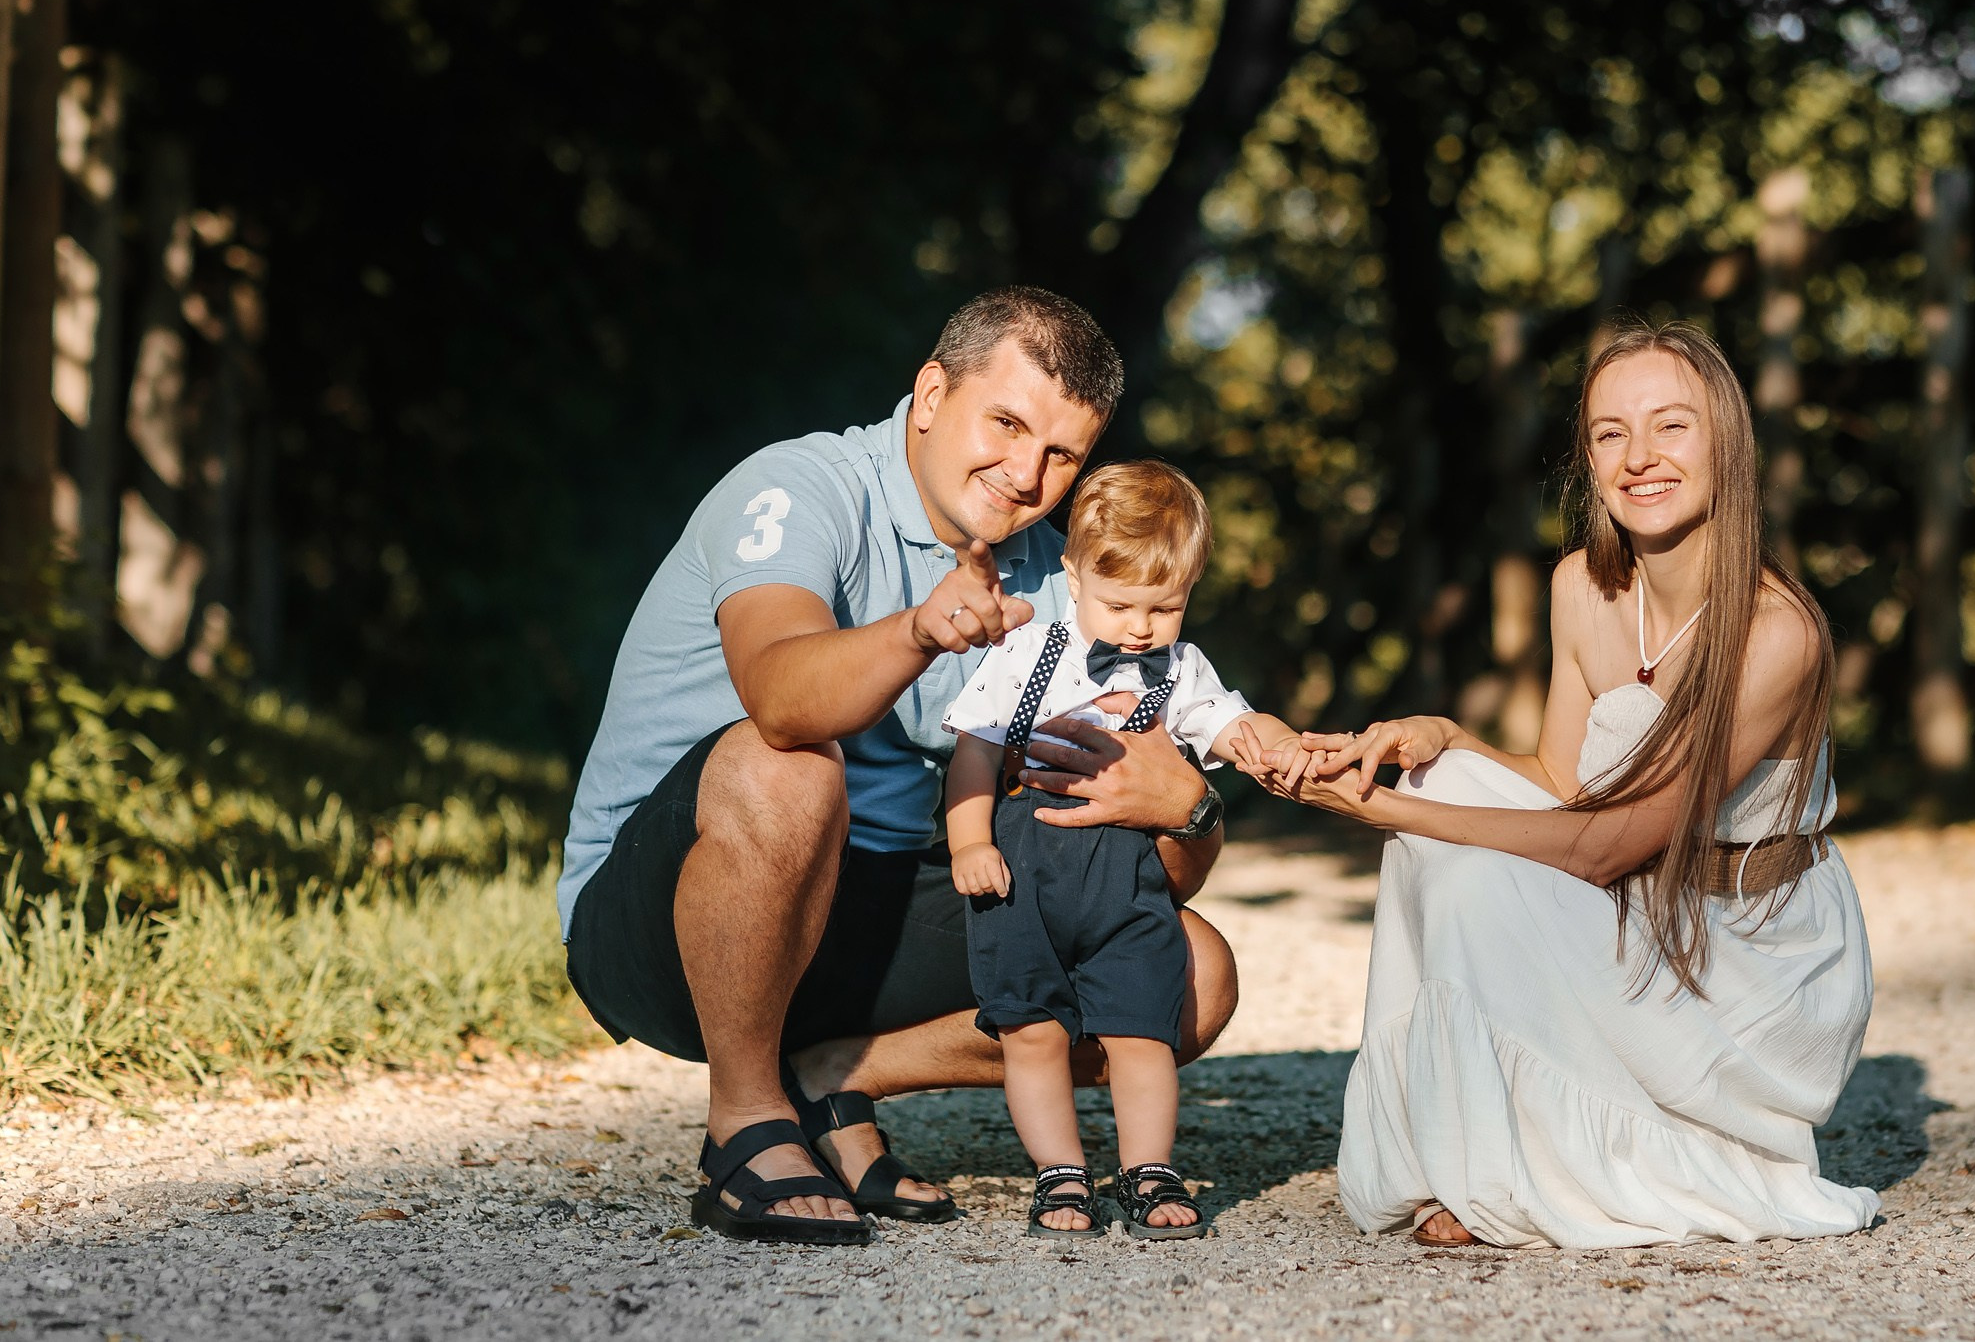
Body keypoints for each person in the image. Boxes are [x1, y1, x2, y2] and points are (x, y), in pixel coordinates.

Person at [556, 288, 1238, 1245]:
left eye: (1061, 454)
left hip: (868, 910)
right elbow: (783, 699)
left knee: (1191, 972)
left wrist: (1191, 809)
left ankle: (840, 1072)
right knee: (790, 766)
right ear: (929, 393)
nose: (1024, 472)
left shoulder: (1063, 578)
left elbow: (1136, 864)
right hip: (670, 915)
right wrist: (919, 628)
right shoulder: (799, 488)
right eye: (1005, 422)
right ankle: (747, 1118)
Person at [1258, 319, 1877, 1250]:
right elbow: (1560, 781)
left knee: (1461, 862)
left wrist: (1377, 806)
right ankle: (1464, 1147)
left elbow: (1606, 843)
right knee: (1451, 783)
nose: (1640, 457)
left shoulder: (1771, 630)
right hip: (1644, 894)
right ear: (1587, 455)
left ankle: (1565, 1159)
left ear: (1726, 443)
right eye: (1610, 432)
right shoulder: (1581, 588)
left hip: (1751, 948)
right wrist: (1443, 740)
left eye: (1672, 426)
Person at [941, 462, 1313, 1240]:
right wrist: (970, 838)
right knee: (1032, 1032)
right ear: (1072, 578)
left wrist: (1275, 744)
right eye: (1121, 604)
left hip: (1128, 882)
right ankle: (1060, 1173)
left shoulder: (1182, 671)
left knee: (1143, 1028)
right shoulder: (1025, 651)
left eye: (1165, 606)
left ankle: (1149, 1167)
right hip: (1024, 876)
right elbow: (974, 752)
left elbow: (1234, 724)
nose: (1141, 627)